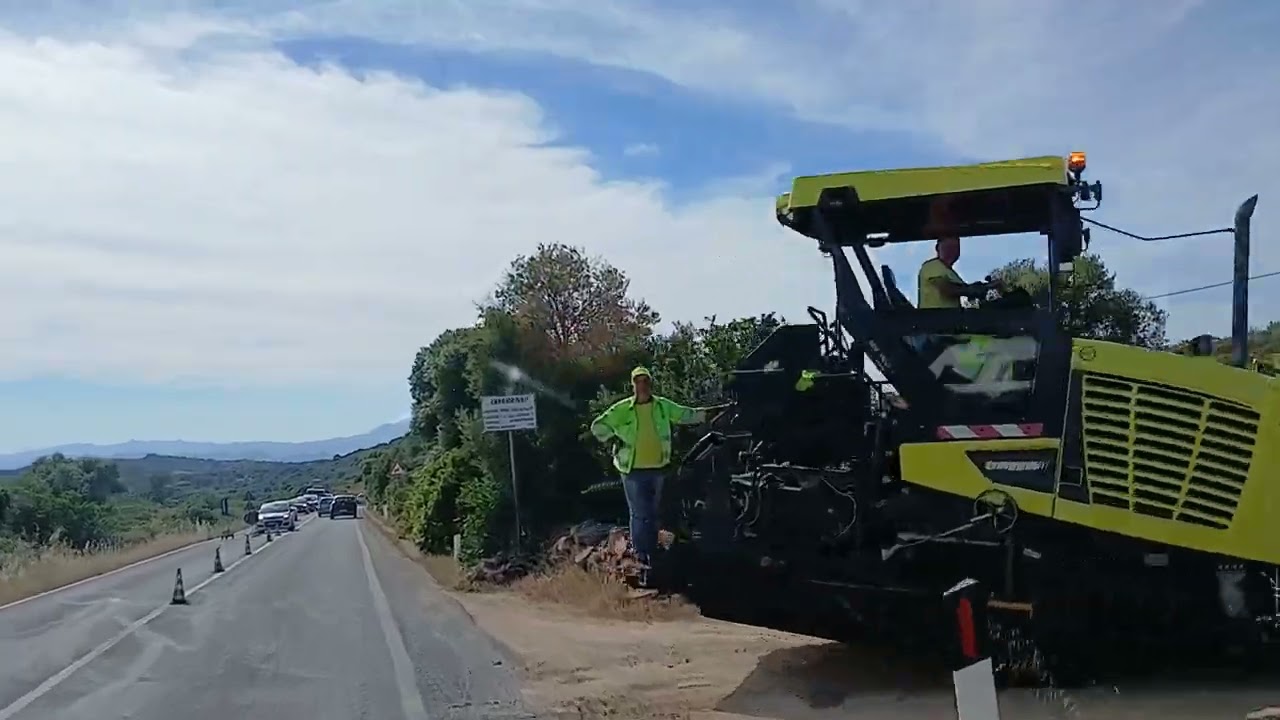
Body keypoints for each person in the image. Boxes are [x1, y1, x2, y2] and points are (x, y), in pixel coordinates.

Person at [590, 367, 720, 586]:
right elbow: (598, 426)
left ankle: (652, 554)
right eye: (638, 381)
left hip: (657, 468)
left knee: (652, 512)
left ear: (650, 383)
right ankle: (642, 558)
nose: (642, 385)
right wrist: (615, 439)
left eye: (646, 381)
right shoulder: (623, 409)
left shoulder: (661, 406)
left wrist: (710, 413)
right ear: (633, 384)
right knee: (640, 513)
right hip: (632, 470)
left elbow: (685, 414)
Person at [917, 236, 1002, 309]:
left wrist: (986, 286)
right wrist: (972, 290)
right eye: (948, 246)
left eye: (956, 246)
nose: (952, 250)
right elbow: (947, 289)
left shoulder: (951, 273)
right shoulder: (932, 266)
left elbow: (964, 289)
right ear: (937, 248)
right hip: (933, 323)